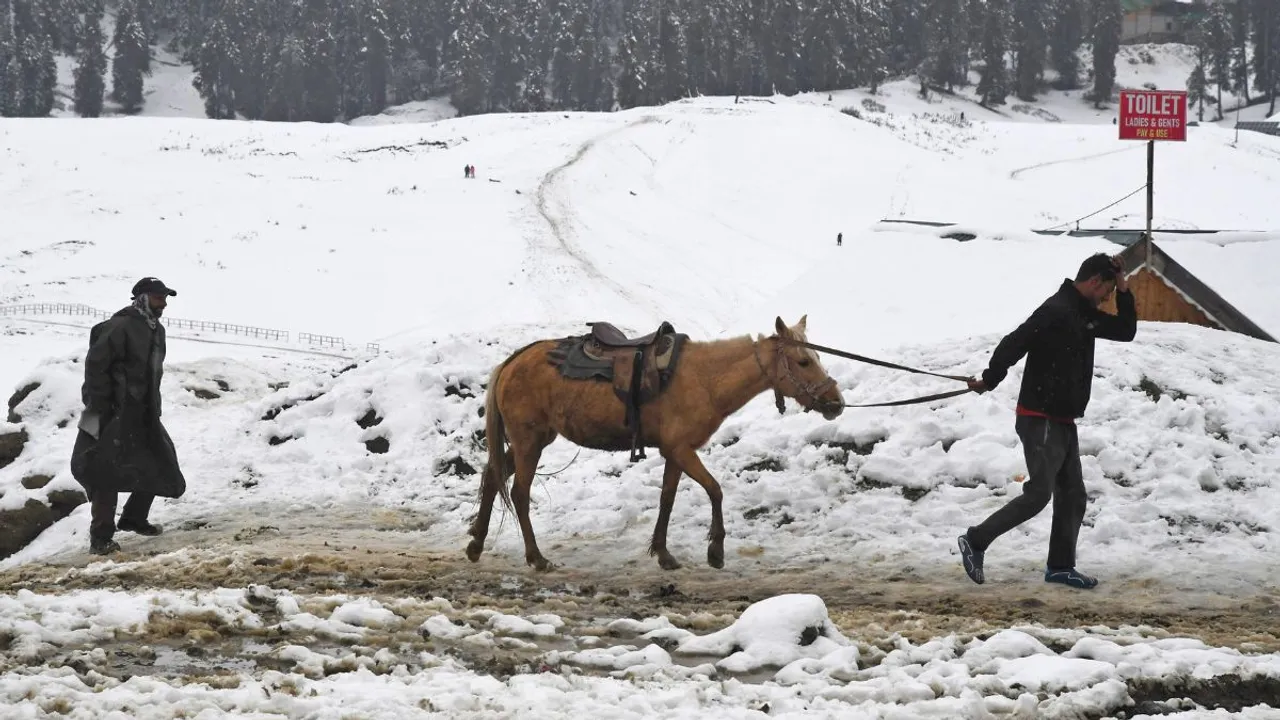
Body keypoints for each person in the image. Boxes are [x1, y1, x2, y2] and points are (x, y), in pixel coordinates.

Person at [958, 253, 1136, 590]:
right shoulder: (1057, 310)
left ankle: (1060, 566)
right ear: (1095, 281)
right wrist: (990, 378)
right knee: (1040, 492)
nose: (1108, 298)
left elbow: (1126, 331)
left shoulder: (1085, 315)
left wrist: (1124, 285)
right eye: (1109, 291)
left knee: (1073, 495)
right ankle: (975, 540)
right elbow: (1014, 342)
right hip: (1040, 418)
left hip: (1062, 420)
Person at [71, 277, 187, 555]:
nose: (164, 303)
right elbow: (96, 369)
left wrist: (152, 407)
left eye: (165, 298)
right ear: (143, 298)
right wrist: (100, 408)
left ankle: (133, 517)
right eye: (159, 298)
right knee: (104, 471)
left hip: (143, 413)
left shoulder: (156, 330)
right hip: (109, 412)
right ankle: (100, 538)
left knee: (161, 462)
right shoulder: (119, 326)